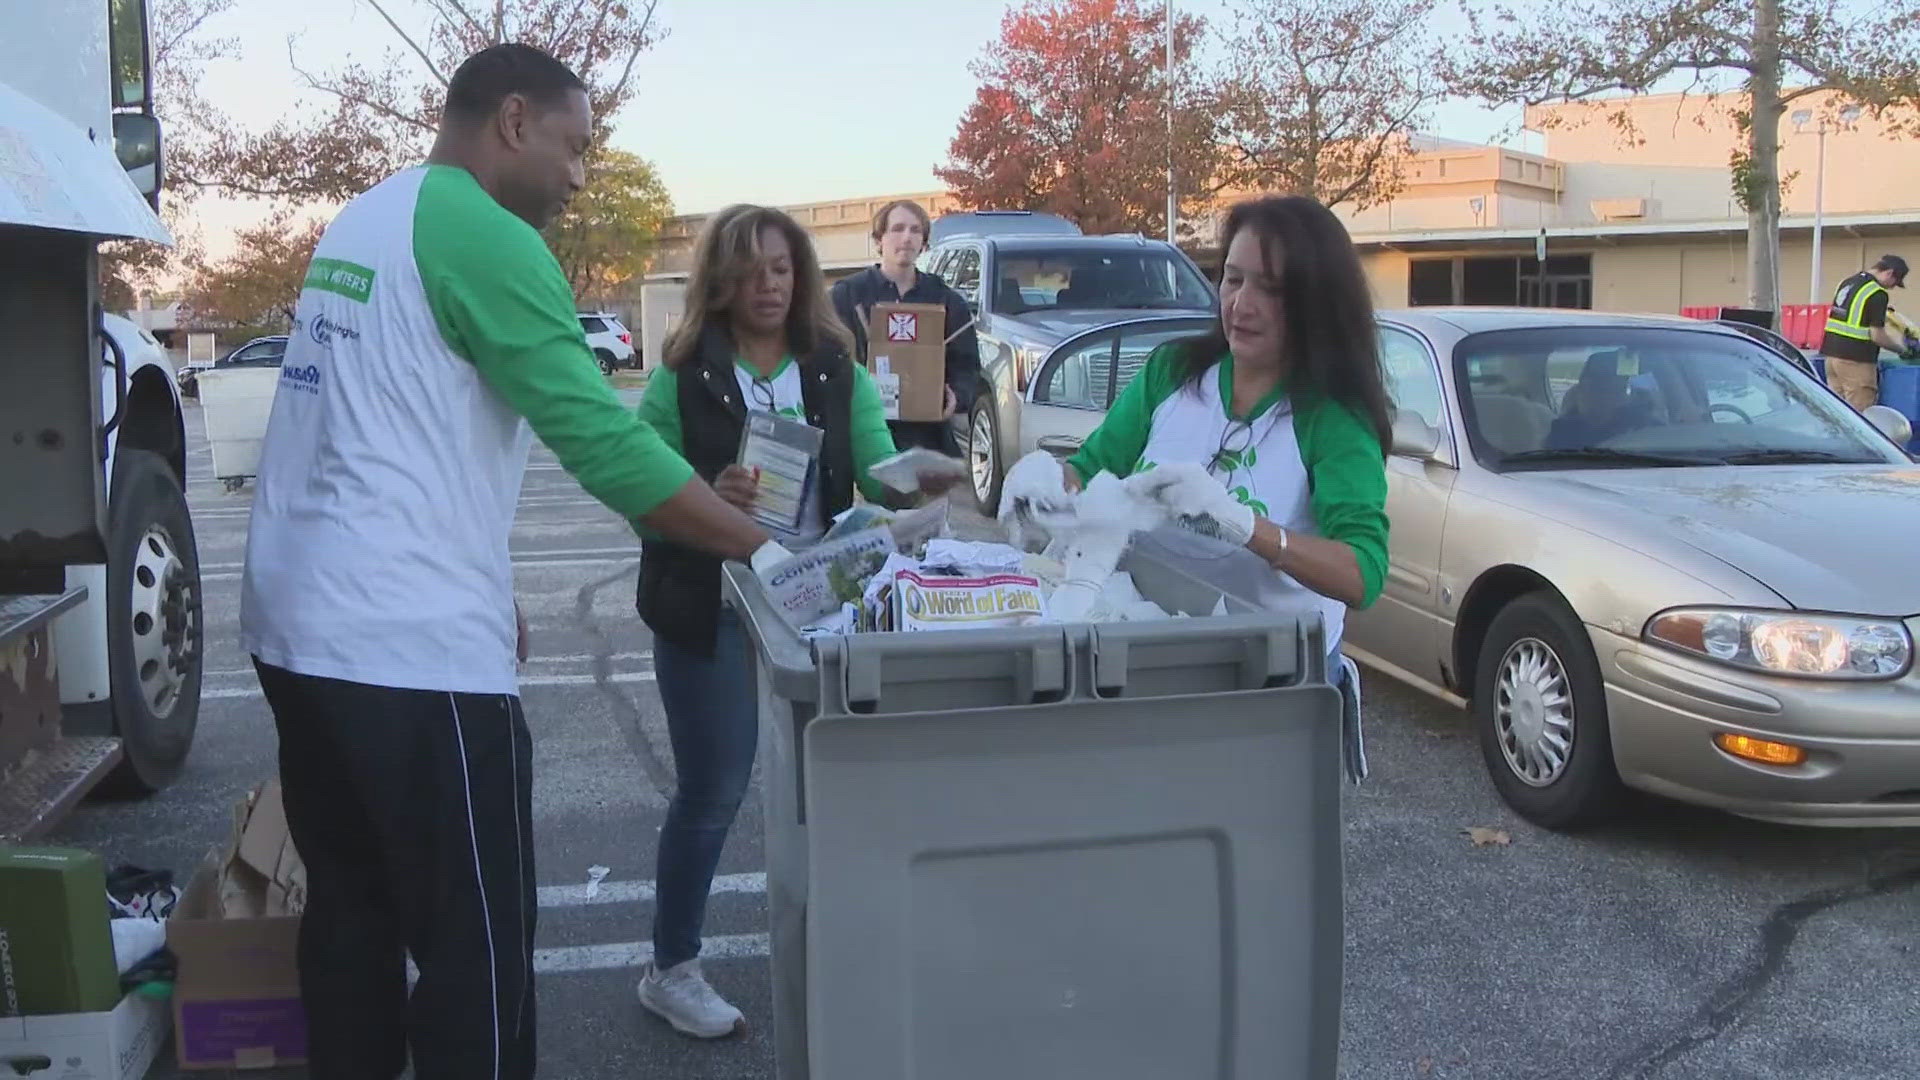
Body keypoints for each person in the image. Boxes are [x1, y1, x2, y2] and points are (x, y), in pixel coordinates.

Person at [238, 44, 783, 1080]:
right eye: (576, 148)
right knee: (474, 953)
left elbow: (378, 427)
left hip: (298, 634)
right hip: (406, 649)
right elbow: (604, 442)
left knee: (348, 922)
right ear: (515, 121)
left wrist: (481, 579)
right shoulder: (490, 240)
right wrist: (766, 546)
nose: (581, 179)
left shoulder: (368, 218)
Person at [632, 203, 955, 1038]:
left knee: (836, 790)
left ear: (802, 275)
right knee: (713, 793)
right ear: (720, 280)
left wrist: (914, 479)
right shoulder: (680, 371)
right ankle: (672, 968)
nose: (768, 284)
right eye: (749, 269)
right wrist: (708, 492)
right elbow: (639, 496)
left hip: (817, 604)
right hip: (711, 604)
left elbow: (874, 468)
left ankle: (849, 946)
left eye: (781, 268)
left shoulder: (832, 365)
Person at [1005, 194, 1390, 688]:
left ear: (1315, 302)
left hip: (1277, 677)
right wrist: (1042, 486)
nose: (1241, 304)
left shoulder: (1331, 416)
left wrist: (1246, 527)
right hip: (1159, 651)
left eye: (1270, 289)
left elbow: (1363, 573)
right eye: (1233, 278)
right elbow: (1093, 467)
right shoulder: (1173, 372)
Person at [828, 198, 983, 453]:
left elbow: (967, 364)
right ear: (879, 239)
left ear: (923, 243)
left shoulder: (946, 300)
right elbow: (826, 357)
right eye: (898, 229)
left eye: (915, 230)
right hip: (865, 434)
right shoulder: (847, 295)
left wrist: (957, 395)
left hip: (929, 439)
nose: (907, 237)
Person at [1820, 254, 1911, 410]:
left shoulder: (1847, 283)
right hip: (1856, 361)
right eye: (1895, 282)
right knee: (1860, 413)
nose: (1892, 287)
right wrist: (1902, 350)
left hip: (1831, 357)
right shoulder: (1877, 293)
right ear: (1889, 273)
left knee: (1836, 412)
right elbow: (1878, 336)